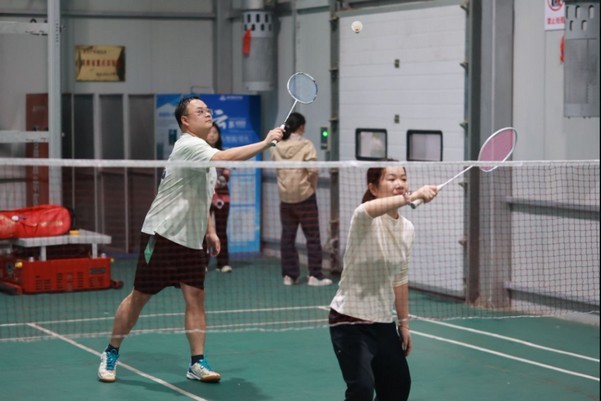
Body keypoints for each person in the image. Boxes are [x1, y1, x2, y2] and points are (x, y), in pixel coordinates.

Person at [97, 96, 283, 384]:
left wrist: (210, 230)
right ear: (185, 121)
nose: (207, 114)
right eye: (200, 111)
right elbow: (226, 157)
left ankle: (197, 362)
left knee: (195, 298)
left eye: (208, 110)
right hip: (163, 234)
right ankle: (111, 352)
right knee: (139, 297)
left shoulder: (204, 153)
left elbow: (201, 197)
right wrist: (266, 143)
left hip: (192, 240)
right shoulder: (188, 145)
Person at [328, 166, 438, 401]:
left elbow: (400, 278)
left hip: (382, 321)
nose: (399, 183)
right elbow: (366, 209)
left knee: (398, 387)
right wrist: (413, 196)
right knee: (362, 389)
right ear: (373, 188)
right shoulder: (364, 219)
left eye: (403, 178)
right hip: (349, 320)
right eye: (391, 179)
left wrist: (404, 324)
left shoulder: (407, 228)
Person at [270, 112, 332, 286]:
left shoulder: (276, 146)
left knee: (287, 238)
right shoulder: (306, 145)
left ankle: (289, 276)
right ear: (302, 127)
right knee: (312, 238)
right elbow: (313, 170)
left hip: (285, 200)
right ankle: (315, 275)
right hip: (305, 198)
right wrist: (311, 186)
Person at [206, 122, 232, 273]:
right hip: (204, 198)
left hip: (223, 199)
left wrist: (213, 182)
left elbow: (226, 176)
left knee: (221, 230)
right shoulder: (200, 154)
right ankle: (202, 263)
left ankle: (223, 263)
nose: (212, 135)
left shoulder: (225, 154)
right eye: (210, 132)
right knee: (204, 232)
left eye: (215, 132)